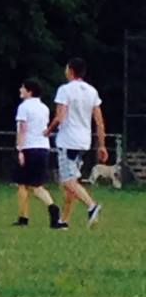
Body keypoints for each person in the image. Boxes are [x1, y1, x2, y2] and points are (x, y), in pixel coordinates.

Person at [44, 58, 107, 228]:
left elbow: (60, 117)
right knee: (71, 181)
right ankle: (64, 220)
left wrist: (48, 131)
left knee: (67, 181)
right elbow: (99, 121)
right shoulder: (92, 91)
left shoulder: (65, 90)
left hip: (68, 141)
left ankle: (91, 206)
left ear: (70, 71)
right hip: (84, 142)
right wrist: (101, 144)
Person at [12, 79, 64, 229]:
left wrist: (20, 149)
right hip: (43, 148)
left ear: (29, 91)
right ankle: (52, 207)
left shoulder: (24, 107)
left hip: (29, 147)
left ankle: (23, 218)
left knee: (22, 184)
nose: (20, 90)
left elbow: (22, 128)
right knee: (37, 185)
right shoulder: (44, 108)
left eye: (23, 88)